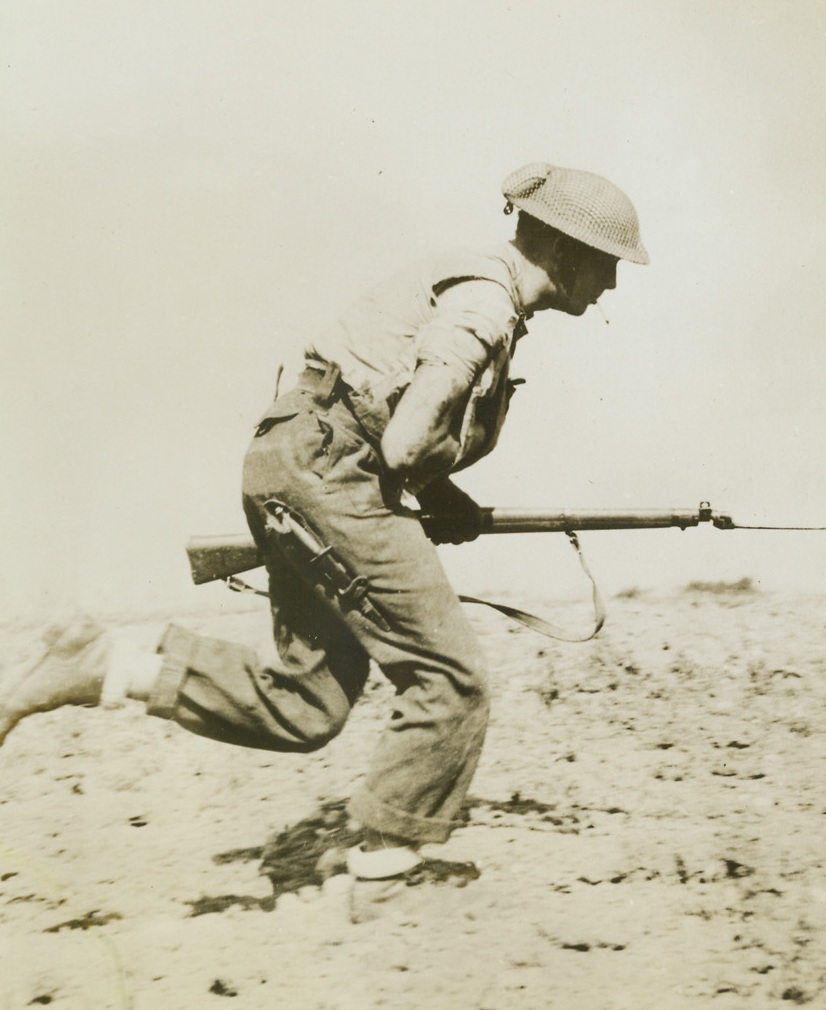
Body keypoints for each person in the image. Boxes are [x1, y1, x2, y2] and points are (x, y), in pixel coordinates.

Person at [0, 162, 648, 918]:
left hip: (303, 464)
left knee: (307, 703)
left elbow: (399, 429)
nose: (610, 286)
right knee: (453, 676)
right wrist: (429, 479)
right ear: (567, 249)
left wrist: (446, 501)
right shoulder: (484, 307)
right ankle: (381, 878)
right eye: (607, 264)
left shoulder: (482, 299)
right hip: (327, 472)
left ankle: (100, 663)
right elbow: (406, 443)